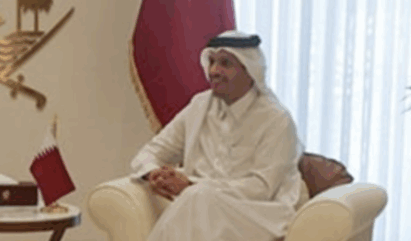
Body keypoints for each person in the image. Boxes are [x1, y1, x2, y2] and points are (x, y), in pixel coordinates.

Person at [130, 31, 306, 241]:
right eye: (212, 62)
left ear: (250, 69)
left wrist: (190, 185)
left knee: (197, 198)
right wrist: (155, 174)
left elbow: (262, 188)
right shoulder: (199, 106)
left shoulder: (276, 119)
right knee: (198, 200)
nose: (214, 71)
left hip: (257, 212)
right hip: (198, 205)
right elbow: (152, 151)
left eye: (225, 63)